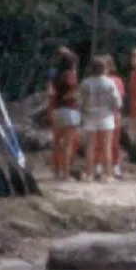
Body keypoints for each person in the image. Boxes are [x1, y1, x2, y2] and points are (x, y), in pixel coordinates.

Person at [79, 54, 122, 183]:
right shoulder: (110, 82)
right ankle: (108, 174)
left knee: (90, 146)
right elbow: (117, 101)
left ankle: (89, 174)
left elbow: (80, 100)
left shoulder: (85, 83)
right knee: (106, 146)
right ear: (105, 68)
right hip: (106, 116)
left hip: (90, 115)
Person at [49, 47, 80, 182]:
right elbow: (73, 91)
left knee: (57, 141)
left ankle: (57, 170)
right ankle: (66, 174)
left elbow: (51, 91)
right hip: (69, 110)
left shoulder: (56, 75)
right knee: (68, 144)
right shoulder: (71, 74)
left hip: (57, 110)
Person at [102, 54, 126, 180]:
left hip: (113, 114)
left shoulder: (116, 80)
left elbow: (120, 97)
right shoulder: (94, 80)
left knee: (114, 142)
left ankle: (116, 167)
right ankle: (99, 166)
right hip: (101, 114)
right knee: (99, 142)